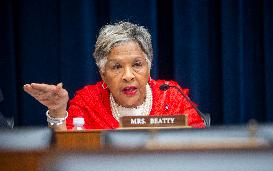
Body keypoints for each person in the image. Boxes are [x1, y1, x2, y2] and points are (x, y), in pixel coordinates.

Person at [23, 21, 205, 131]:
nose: (128, 76)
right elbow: (66, 155)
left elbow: (199, 146)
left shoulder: (171, 96)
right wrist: (57, 111)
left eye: (137, 65)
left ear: (149, 67)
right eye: (117, 67)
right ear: (103, 73)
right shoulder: (88, 102)